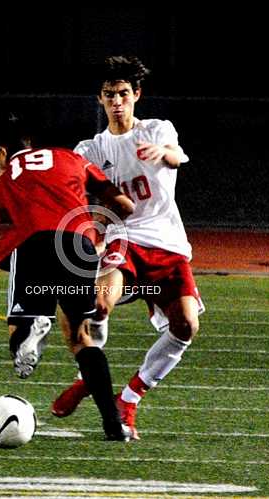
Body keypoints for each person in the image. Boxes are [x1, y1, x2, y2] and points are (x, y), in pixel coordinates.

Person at [51, 56, 205, 440]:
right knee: (100, 303)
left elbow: (176, 157)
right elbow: (84, 202)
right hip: (124, 238)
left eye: (123, 93)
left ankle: (130, 398)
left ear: (136, 94)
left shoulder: (156, 129)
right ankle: (88, 375)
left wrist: (161, 154)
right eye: (109, 95)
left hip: (167, 242)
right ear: (100, 100)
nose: (116, 101)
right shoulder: (88, 149)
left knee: (186, 326)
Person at [0, 114, 135, 441]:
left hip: (32, 243)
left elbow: (2, 209)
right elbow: (124, 204)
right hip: (77, 245)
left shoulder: (8, 172)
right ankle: (113, 425)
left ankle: (29, 331)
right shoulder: (74, 158)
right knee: (81, 338)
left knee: (18, 328)